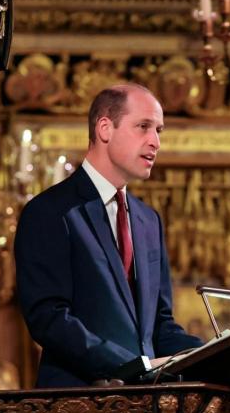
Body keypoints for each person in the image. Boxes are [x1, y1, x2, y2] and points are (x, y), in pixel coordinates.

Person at [14, 83, 203, 387]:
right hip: (79, 406)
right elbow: (48, 318)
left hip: (146, 410)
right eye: (143, 127)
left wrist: (212, 354)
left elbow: (160, 327)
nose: (155, 141)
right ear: (105, 128)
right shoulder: (50, 211)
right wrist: (125, 367)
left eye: (159, 131)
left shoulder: (148, 221)